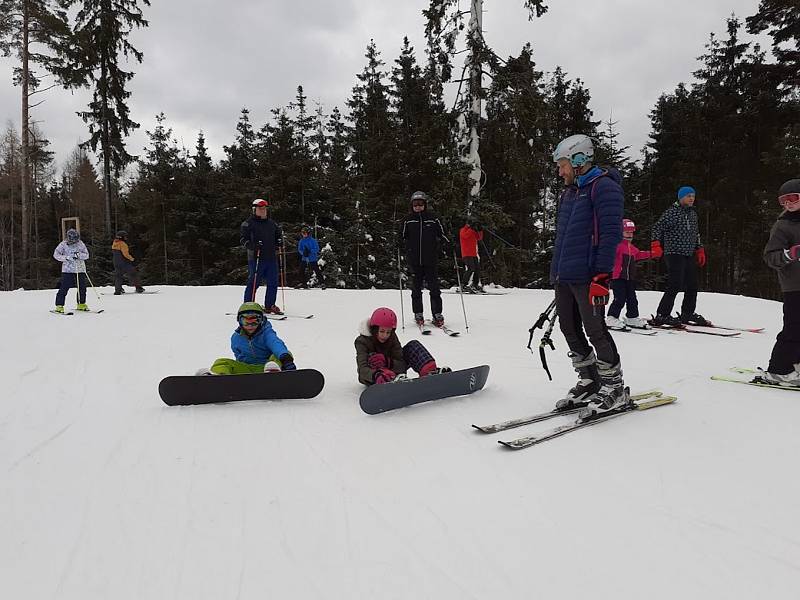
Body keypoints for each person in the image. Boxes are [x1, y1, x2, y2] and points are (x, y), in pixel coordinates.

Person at [549, 134, 626, 417]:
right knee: (568, 328)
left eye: (563, 164)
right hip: (566, 275)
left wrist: (602, 276)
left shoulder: (604, 188)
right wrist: (556, 272)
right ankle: (591, 381)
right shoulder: (570, 193)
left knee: (596, 331)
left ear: (580, 160)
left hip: (590, 276)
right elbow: (563, 238)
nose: (561, 171)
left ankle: (614, 387)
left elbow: (610, 235)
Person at [758, 179, 800, 386]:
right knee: (793, 328)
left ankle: (796, 365)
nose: (788, 203)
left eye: (793, 198)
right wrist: (790, 254)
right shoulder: (783, 225)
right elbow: (770, 256)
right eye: (783, 200)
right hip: (794, 285)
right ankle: (778, 369)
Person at [649, 186, 709, 327]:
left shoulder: (693, 214)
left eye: (693, 196)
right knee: (675, 284)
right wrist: (656, 244)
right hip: (674, 253)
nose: (691, 198)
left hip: (688, 253)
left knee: (692, 285)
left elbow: (696, 234)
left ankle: (687, 313)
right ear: (680, 197)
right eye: (688, 196)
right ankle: (662, 314)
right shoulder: (672, 212)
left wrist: (700, 249)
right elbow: (657, 227)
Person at [355, 307, 450, 385]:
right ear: (375, 329)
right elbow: (362, 370)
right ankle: (388, 379)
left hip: (394, 370)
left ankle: (430, 372)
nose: (385, 335)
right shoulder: (362, 342)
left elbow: (401, 365)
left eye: (388, 332)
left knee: (413, 345)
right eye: (382, 331)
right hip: (374, 377)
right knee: (373, 357)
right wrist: (376, 375)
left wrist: (388, 362)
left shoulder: (392, 337)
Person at [198, 302, 296, 375]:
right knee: (221, 362)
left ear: (261, 321)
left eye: (255, 321)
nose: (250, 325)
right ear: (239, 322)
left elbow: (276, 344)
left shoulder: (266, 333)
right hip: (247, 370)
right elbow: (239, 357)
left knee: (282, 354)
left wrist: (285, 358)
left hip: (265, 367)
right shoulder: (236, 338)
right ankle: (219, 378)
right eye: (246, 321)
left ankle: (272, 373)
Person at [400, 190, 447, 328]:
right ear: (412, 205)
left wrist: (447, 242)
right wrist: (399, 243)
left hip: (430, 259)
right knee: (416, 288)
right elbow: (402, 235)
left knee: (434, 288)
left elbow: (442, 233)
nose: (418, 207)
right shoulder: (408, 220)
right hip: (414, 260)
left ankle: (437, 313)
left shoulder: (433, 218)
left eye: (420, 204)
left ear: (425, 204)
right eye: (415, 204)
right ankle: (418, 313)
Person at [605, 218, 662, 330]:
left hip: (629, 278)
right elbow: (608, 257)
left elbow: (639, 255)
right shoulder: (617, 246)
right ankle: (612, 317)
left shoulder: (631, 248)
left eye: (631, 232)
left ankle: (632, 317)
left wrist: (652, 254)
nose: (630, 235)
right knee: (619, 298)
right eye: (627, 232)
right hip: (618, 278)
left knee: (632, 299)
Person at [241, 198, 284, 314]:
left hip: (271, 257)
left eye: (264, 209)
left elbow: (278, 234)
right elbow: (243, 240)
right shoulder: (248, 223)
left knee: (273, 282)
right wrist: (252, 245)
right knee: (254, 282)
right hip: (256, 258)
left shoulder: (272, 223)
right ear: (254, 210)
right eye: (260, 209)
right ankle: (248, 305)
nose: (263, 211)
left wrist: (279, 241)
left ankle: (269, 305)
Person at [53, 228, 90, 313]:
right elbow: (56, 254)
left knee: (82, 288)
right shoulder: (63, 244)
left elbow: (87, 255)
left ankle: (81, 304)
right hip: (67, 270)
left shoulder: (81, 244)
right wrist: (66, 258)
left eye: (75, 239)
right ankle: (59, 305)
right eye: (72, 239)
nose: (74, 241)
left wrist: (79, 255)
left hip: (80, 269)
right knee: (64, 287)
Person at [111, 230, 145, 294]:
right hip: (124, 263)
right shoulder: (123, 244)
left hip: (116, 262)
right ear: (122, 237)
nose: (126, 238)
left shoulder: (114, 243)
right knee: (133, 273)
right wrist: (132, 259)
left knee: (118, 276)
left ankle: (118, 290)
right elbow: (125, 254)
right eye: (125, 237)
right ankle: (139, 288)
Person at [459, 218, 484, 292]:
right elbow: (465, 236)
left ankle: (475, 284)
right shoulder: (463, 230)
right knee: (470, 268)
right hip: (466, 253)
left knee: (477, 269)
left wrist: (480, 229)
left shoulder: (472, 231)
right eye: (469, 223)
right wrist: (472, 229)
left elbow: (479, 238)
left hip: (473, 253)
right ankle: (463, 285)